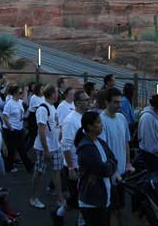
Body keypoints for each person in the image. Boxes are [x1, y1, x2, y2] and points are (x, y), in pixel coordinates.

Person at [75, 111, 117, 226]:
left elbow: (113, 160)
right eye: (98, 122)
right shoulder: (86, 148)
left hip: (102, 199)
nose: (101, 125)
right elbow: (103, 169)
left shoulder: (100, 142)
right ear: (89, 126)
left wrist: (109, 166)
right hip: (93, 201)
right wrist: (110, 166)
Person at [56, 89, 91, 222]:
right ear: (77, 103)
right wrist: (71, 168)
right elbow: (65, 145)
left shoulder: (86, 117)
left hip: (84, 164)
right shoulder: (71, 120)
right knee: (80, 199)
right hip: (74, 166)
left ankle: (59, 213)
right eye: (86, 100)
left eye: (89, 99)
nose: (89, 102)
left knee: (79, 198)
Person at [99, 88, 133, 224]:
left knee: (118, 208)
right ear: (107, 102)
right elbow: (103, 150)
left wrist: (128, 164)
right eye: (115, 102)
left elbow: (126, 143)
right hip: (110, 175)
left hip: (122, 173)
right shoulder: (101, 121)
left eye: (120, 102)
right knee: (112, 210)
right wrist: (114, 172)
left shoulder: (122, 118)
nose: (119, 105)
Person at [29, 84, 62, 209]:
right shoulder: (43, 109)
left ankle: (60, 199)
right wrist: (46, 150)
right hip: (45, 148)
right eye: (57, 92)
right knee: (39, 172)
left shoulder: (53, 107)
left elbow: (55, 125)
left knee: (56, 172)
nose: (58, 94)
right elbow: (41, 131)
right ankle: (33, 198)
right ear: (52, 94)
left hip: (56, 146)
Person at [2, 85, 33, 174]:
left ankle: (29, 166)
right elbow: (4, 117)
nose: (21, 94)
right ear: (15, 93)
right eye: (20, 92)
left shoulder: (19, 102)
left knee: (21, 148)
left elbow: (26, 105)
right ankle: (8, 168)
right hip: (10, 130)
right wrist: (11, 128)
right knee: (11, 149)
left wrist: (26, 92)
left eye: (21, 92)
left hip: (19, 129)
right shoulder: (9, 103)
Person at [138, 93, 158, 172]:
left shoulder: (157, 115)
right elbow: (148, 138)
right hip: (151, 156)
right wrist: (157, 151)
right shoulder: (147, 117)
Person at [27, 83, 45, 148]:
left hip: (40, 116)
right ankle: (27, 150)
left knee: (34, 135)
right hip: (33, 117)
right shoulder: (34, 97)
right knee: (33, 135)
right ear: (37, 90)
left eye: (43, 88)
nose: (43, 90)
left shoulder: (43, 97)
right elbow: (38, 109)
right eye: (41, 89)